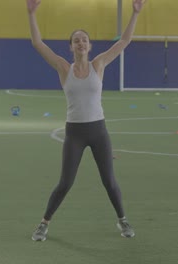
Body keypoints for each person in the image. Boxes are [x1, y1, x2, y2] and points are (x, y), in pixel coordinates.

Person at [26, 0, 146, 241]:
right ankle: (43, 223)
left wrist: (134, 13)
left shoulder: (98, 64)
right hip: (75, 134)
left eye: (84, 40)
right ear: (71, 47)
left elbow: (124, 41)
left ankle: (123, 220)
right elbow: (38, 43)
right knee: (65, 182)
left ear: (89, 46)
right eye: (76, 40)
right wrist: (31, 14)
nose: (81, 43)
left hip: (98, 131)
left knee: (109, 181)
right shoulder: (63, 67)